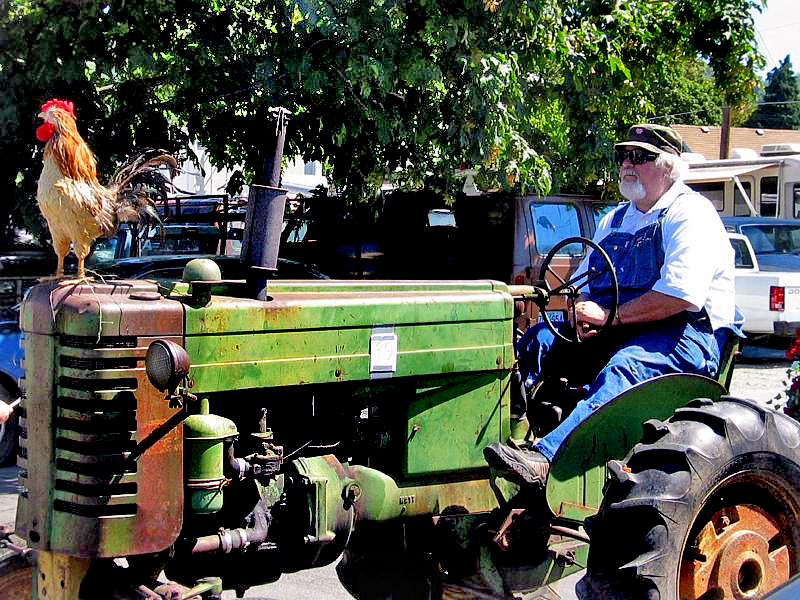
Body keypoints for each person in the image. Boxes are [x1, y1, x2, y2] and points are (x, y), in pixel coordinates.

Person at [484, 124, 739, 489]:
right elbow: (587, 282)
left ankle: (547, 458)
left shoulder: (691, 214)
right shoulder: (614, 219)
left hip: (683, 336)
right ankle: (506, 432)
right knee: (538, 340)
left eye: (640, 157)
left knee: (626, 367)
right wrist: (578, 310)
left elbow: (682, 295)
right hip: (620, 328)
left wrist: (609, 316)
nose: (627, 165)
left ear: (670, 165)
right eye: (622, 156)